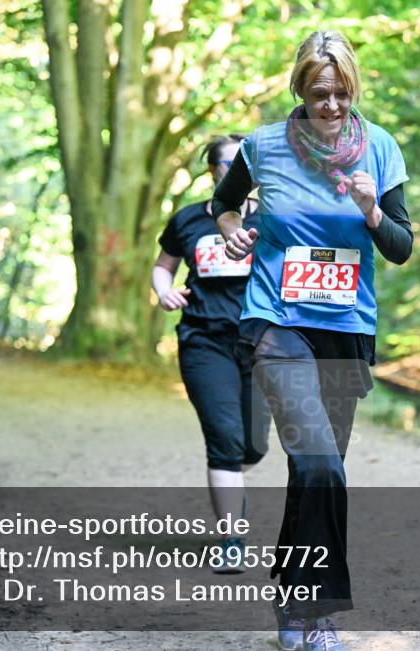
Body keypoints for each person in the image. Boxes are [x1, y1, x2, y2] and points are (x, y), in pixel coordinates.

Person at [211, 30, 412, 651]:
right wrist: (235, 233)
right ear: (299, 88)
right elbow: (222, 206)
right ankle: (319, 614)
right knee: (320, 463)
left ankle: (291, 604)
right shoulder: (264, 145)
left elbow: (401, 246)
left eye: (342, 94)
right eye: (320, 93)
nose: (331, 106)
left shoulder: (379, 147)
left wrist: (373, 211)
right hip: (277, 323)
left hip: (347, 330)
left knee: (316, 474)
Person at [152, 134, 269, 574]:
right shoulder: (188, 221)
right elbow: (163, 265)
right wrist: (165, 292)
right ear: (212, 170)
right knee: (224, 440)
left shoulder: (273, 219)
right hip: (204, 341)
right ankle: (231, 538)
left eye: (249, 161)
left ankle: (234, 479)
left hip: (261, 344)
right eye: (230, 162)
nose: (241, 169)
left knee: (252, 448)